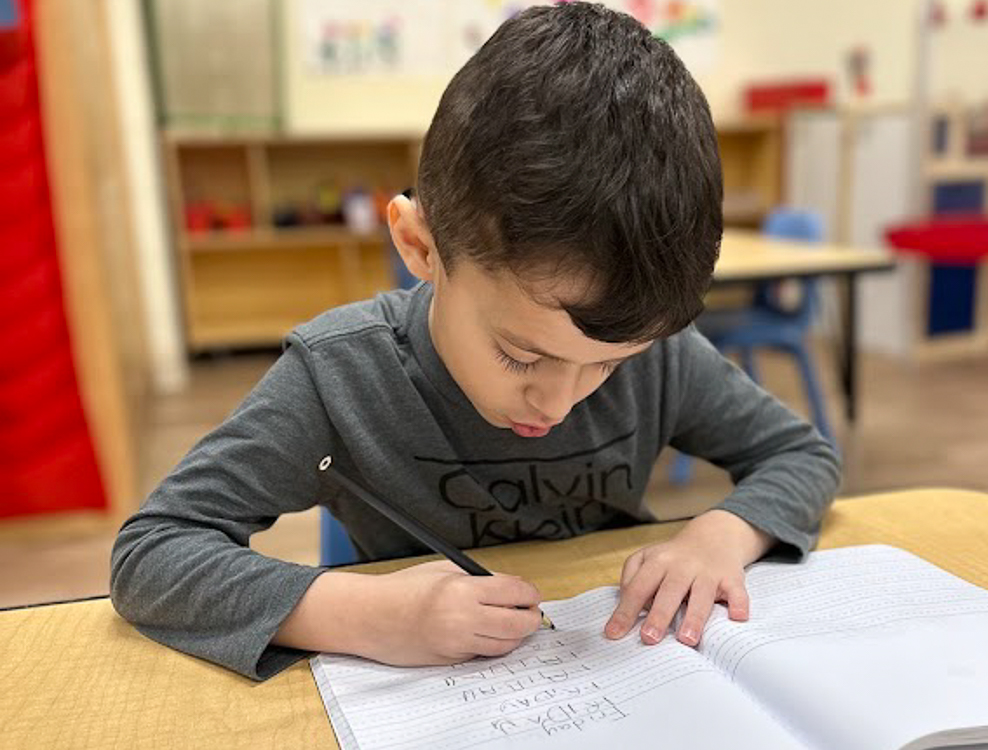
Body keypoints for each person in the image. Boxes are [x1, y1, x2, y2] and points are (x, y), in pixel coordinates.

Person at [110, 2, 840, 681]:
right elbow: (153, 551)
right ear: (419, 247)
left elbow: (800, 453)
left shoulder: (661, 356)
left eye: (610, 366)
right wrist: (363, 614)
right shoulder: (339, 376)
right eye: (521, 355)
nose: (556, 400)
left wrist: (721, 534)